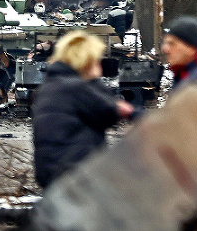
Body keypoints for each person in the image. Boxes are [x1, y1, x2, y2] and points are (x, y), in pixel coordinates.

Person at [32, 31, 134, 188]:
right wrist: (93, 80)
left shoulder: (52, 85)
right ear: (86, 61)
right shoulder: (75, 87)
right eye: (97, 60)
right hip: (73, 174)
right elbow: (109, 113)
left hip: (53, 172)